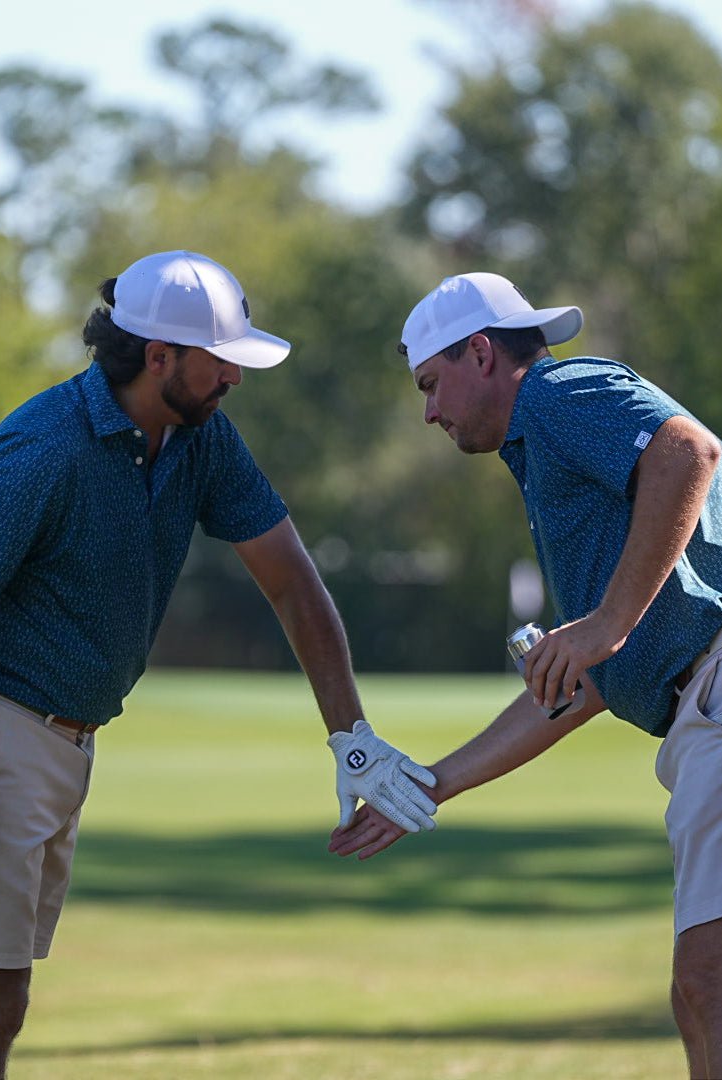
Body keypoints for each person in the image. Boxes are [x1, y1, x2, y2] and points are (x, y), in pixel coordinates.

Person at [0, 250, 437, 1079]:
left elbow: (293, 586)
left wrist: (351, 737)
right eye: (222, 362)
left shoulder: (197, 439)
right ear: (159, 356)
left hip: (62, 739)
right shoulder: (47, 447)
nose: (235, 379)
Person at [328, 271, 722, 1078]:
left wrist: (606, 621)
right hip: (698, 712)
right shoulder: (540, 452)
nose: (428, 412)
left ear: (480, 353)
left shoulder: (555, 392)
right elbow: (580, 685)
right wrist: (433, 785)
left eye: (431, 385)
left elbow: (690, 449)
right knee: (702, 991)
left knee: (707, 984)